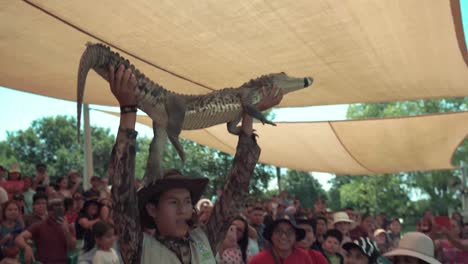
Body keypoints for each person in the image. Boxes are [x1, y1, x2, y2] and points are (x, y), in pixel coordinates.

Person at [107, 65, 283, 263]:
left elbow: (235, 192)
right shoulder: (138, 247)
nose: (184, 209)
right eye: (174, 202)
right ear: (152, 209)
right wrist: (128, 111)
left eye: (188, 202)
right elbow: (122, 195)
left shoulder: (205, 239)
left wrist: (249, 115)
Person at [16, 198, 76, 264]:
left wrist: (66, 230)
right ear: (48, 211)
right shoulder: (39, 226)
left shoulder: (68, 226)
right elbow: (19, 238)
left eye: (59, 209)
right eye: (52, 210)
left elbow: (72, 247)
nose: (55, 212)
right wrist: (26, 247)